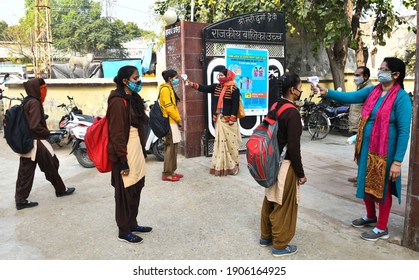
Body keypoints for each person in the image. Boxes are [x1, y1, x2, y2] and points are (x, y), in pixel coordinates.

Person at [314, 57, 412, 241]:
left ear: (396, 74)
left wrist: (397, 162)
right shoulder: (373, 91)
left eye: (384, 69)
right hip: (367, 148)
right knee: (365, 180)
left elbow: (404, 131)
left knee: (382, 186)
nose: (380, 72)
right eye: (380, 68)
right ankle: (370, 216)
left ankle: (382, 227)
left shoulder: (401, 98)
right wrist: (326, 91)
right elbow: (350, 97)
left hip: (386, 153)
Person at [259, 72, 307, 257]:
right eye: (300, 87)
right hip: (285, 164)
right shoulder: (292, 113)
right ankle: (280, 245)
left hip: (270, 161)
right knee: (284, 204)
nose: (301, 90)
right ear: (293, 90)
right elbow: (294, 148)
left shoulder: (276, 105)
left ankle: (266, 236)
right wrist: (301, 174)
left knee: (271, 198)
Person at [15, 78, 75, 210]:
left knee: (26, 171)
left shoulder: (27, 100)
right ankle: (60, 190)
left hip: (28, 141)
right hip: (36, 142)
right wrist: (47, 133)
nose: (45, 91)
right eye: (43, 88)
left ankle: (21, 199)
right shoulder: (35, 102)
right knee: (52, 164)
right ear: (37, 89)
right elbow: (34, 125)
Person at [108, 66, 152, 244]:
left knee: (136, 187)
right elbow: (116, 133)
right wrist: (123, 161)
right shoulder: (118, 101)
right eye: (135, 78)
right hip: (124, 153)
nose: (139, 81)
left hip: (136, 149)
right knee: (125, 193)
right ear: (125, 81)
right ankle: (124, 230)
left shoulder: (133, 98)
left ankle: (132, 223)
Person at [186, 67, 242, 176]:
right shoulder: (216, 87)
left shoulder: (234, 89)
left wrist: (232, 118)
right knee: (220, 143)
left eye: (222, 75)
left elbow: (235, 105)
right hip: (219, 119)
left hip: (229, 121)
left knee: (232, 144)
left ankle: (233, 165)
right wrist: (191, 84)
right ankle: (221, 166)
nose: (220, 77)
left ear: (228, 76)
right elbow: (203, 88)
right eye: (219, 75)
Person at [348, 66, 374, 184]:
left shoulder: (369, 89)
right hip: (357, 126)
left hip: (362, 126)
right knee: (359, 153)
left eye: (358, 75)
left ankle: (364, 179)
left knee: (364, 154)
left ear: (366, 77)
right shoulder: (360, 88)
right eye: (355, 75)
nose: (355, 77)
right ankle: (360, 176)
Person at [159, 69, 183, 182]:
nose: (177, 79)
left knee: (173, 148)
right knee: (169, 148)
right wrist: (178, 120)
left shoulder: (169, 88)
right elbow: (169, 107)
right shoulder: (165, 90)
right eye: (176, 77)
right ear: (170, 78)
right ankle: (167, 173)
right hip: (170, 122)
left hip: (172, 121)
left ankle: (172, 171)